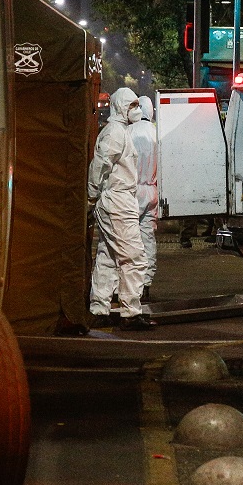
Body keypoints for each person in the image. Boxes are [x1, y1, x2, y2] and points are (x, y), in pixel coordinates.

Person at [87, 87, 154, 331]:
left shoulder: (118, 131)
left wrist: (94, 196)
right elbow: (101, 164)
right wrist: (92, 193)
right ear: (121, 107)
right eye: (132, 105)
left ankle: (100, 308)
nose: (136, 110)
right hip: (117, 200)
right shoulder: (116, 132)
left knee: (108, 256)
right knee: (134, 256)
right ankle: (130, 312)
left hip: (116, 198)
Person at [129, 95, 158, 300]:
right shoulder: (157, 133)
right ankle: (146, 284)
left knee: (126, 239)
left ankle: (124, 286)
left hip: (130, 191)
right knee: (147, 238)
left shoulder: (128, 132)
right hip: (151, 191)